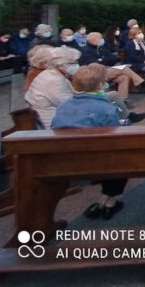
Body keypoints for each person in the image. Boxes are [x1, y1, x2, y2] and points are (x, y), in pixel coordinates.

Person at [52, 64, 129, 220]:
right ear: (100, 85)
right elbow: (116, 139)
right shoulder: (105, 109)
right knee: (124, 158)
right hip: (97, 160)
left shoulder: (63, 106)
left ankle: (105, 200)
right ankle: (109, 202)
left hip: (65, 159)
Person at [24, 46, 81, 128]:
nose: (76, 65)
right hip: (54, 126)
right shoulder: (54, 80)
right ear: (60, 65)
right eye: (72, 63)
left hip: (56, 120)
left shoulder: (51, 73)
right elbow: (71, 106)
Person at [79, 31, 145, 99]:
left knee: (124, 77)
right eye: (100, 38)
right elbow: (94, 65)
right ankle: (141, 82)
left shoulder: (101, 48)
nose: (102, 40)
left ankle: (123, 100)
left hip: (107, 71)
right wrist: (104, 60)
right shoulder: (85, 50)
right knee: (123, 69)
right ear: (94, 40)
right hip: (94, 74)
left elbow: (114, 58)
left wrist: (102, 60)